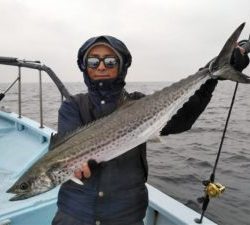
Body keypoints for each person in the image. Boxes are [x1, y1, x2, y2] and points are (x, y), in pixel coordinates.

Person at [52, 35, 249, 225]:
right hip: (74, 214)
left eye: (110, 61)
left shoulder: (139, 103)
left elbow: (183, 119)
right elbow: (67, 149)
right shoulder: (73, 106)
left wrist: (210, 74)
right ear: (84, 67)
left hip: (126, 216)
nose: (101, 66)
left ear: (122, 66)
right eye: (93, 61)